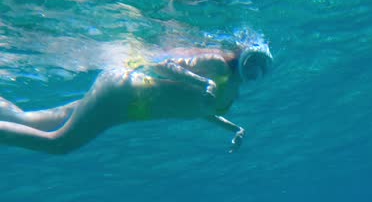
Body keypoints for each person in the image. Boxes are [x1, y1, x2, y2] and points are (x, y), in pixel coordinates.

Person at [0, 39, 273, 154]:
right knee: (59, 144)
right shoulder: (216, 64)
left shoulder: (231, 92)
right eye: (252, 63)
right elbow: (159, 65)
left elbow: (203, 110)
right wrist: (202, 82)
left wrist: (235, 128)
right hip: (123, 91)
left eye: (261, 69)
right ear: (242, 55)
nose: (254, 71)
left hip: (124, 107)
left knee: (29, 120)